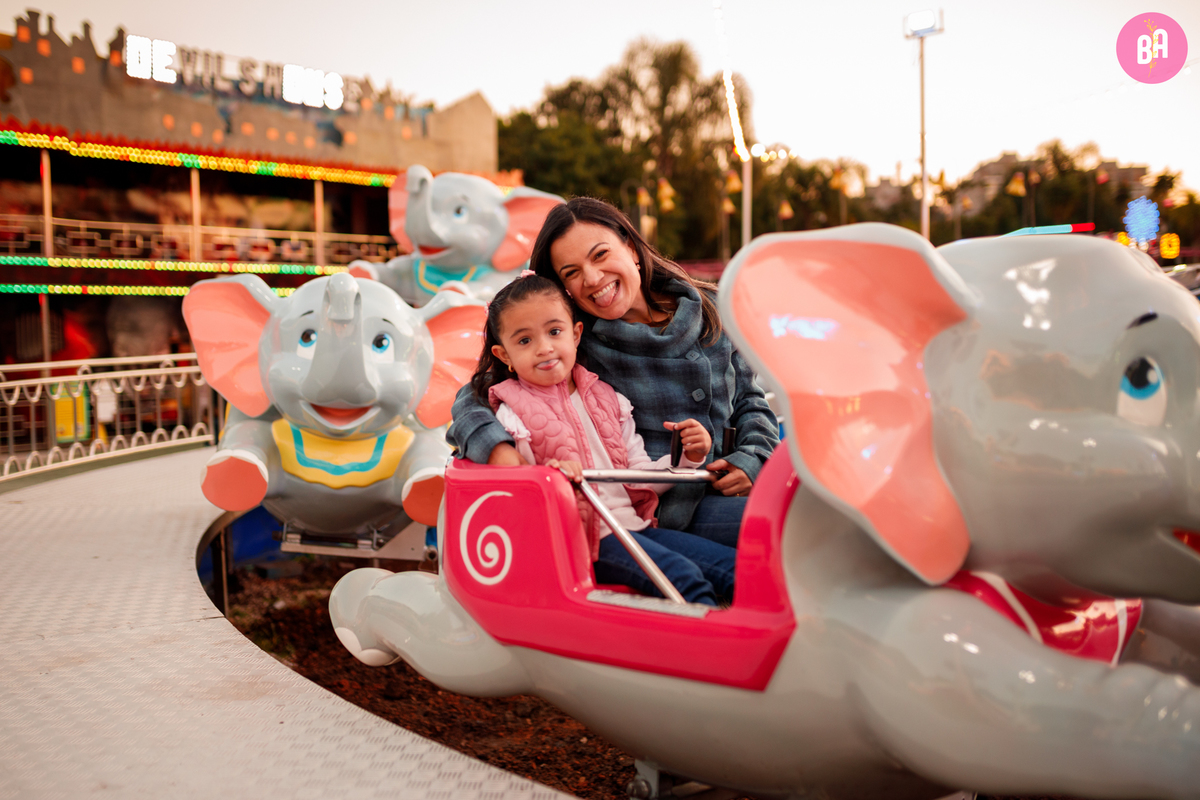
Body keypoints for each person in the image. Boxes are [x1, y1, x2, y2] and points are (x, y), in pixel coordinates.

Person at [448, 197, 778, 548]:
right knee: (785, 528)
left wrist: (752, 459)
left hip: (727, 485)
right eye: (571, 273)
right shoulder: (576, 344)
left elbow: (749, 401)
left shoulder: (710, 307)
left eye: (600, 255)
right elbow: (474, 400)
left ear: (632, 248)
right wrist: (499, 451)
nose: (592, 278)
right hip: (659, 505)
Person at [471, 272, 735, 606]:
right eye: (524, 341)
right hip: (585, 541)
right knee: (684, 579)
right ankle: (710, 655)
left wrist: (687, 457)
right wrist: (549, 475)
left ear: (576, 333)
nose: (545, 348)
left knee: (734, 569)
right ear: (504, 354)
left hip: (635, 526)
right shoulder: (511, 412)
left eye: (555, 332)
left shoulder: (609, 398)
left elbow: (640, 478)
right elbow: (515, 486)